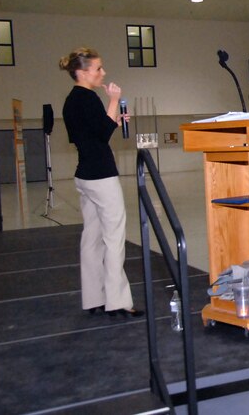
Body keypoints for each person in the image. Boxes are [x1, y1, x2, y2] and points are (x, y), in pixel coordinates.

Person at [60, 47, 142, 318]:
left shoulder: (71, 100)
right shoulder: (89, 98)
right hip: (101, 175)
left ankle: (94, 296)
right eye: (98, 69)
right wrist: (114, 101)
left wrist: (114, 118)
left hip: (84, 174)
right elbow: (103, 133)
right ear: (83, 72)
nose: (103, 73)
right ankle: (118, 300)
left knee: (91, 238)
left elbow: (90, 133)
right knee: (114, 237)